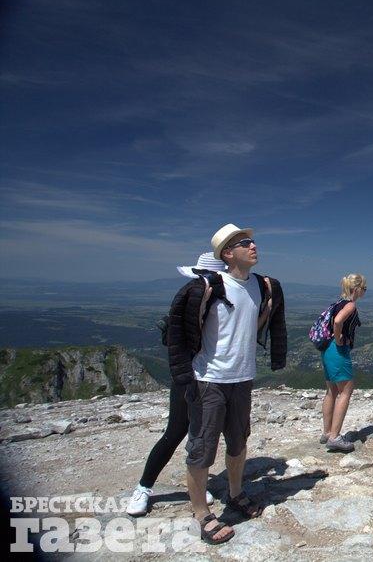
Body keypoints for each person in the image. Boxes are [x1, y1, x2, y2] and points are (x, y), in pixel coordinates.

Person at [167, 224, 287, 545]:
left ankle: (235, 494)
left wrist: (275, 352)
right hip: (209, 379)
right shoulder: (207, 287)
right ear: (228, 254)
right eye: (244, 243)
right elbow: (178, 333)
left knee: (238, 440)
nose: (253, 246)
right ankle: (202, 513)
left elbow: (263, 323)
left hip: (242, 378)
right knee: (202, 447)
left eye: (252, 241)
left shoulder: (263, 286)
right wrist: (183, 377)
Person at [126, 253, 226, 517]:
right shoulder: (193, 297)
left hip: (211, 376)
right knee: (177, 431)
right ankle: (144, 487)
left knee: (198, 434)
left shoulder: (219, 299)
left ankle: (194, 486)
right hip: (189, 375)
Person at [320, 273, 366, 453]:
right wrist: (339, 340)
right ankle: (335, 437)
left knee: (331, 391)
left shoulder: (338, 303)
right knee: (346, 390)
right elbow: (338, 321)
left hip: (327, 349)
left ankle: (327, 432)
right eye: (364, 288)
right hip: (337, 350)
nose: (364, 291)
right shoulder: (350, 305)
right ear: (357, 289)